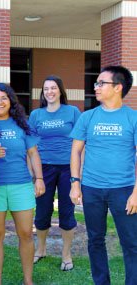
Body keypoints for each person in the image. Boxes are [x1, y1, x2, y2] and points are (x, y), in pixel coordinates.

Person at [70, 65, 137, 285]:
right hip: (92, 188)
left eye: (101, 83)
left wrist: (136, 193)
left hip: (124, 189)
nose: (95, 87)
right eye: (96, 83)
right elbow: (76, 151)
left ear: (118, 87)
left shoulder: (133, 118)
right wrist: (75, 183)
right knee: (95, 240)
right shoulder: (87, 117)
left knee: (131, 243)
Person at [0, 83, 45, 285]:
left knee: (26, 233)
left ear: (11, 101)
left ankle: (28, 280)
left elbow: (33, 153)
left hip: (21, 185)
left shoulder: (22, 124)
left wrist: (40, 178)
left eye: (4, 98)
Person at [28, 75, 81, 271]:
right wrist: (33, 175)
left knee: (67, 212)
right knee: (42, 211)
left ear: (60, 91)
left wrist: (78, 176)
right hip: (44, 169)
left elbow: (80, 144)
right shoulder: (36, 115)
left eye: (53, 88)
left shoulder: (72, 112)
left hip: (68, 168)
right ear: (43, 93)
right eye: (46, 89)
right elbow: (30, 147)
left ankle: (66, 254)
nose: (50, 92)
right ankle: (40, 249)